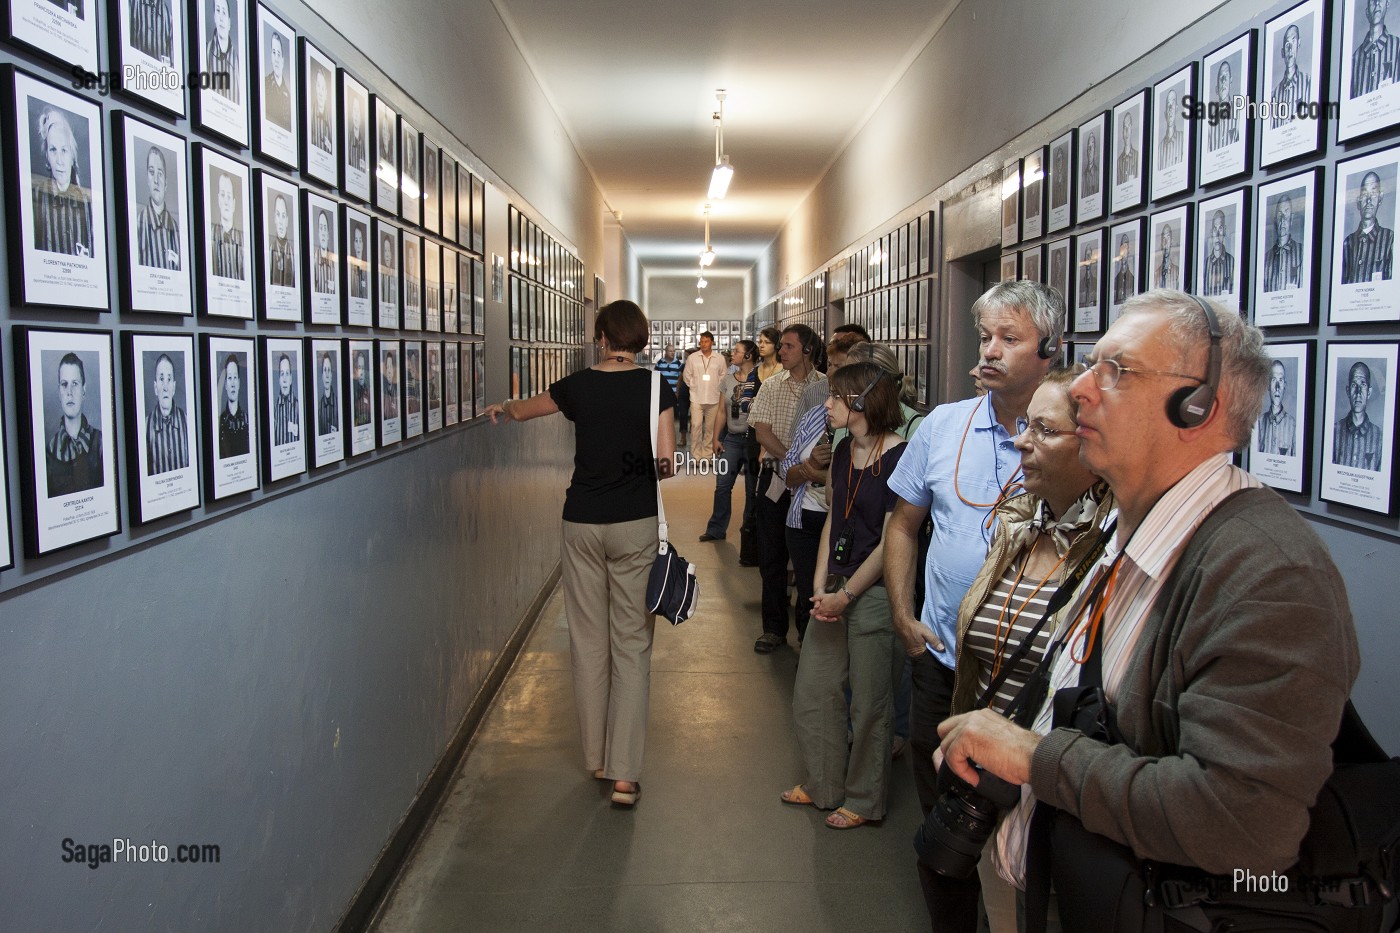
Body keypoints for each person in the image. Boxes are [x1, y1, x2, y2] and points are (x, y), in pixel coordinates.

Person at [936, 291, 1358, 932]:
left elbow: (1243, 822)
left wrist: (1035, 759)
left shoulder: (1268, 574)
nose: (1078, 388)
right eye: (1091, 365)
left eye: (1117, 370)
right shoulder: (1129, 529)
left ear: (1198, 408)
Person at [883, 280, 1062, 929]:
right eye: (984, 335)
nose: (988, 350)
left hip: (1025, 678)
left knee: (1028, 826)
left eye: (1007, 338)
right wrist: (904, 613)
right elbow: (903, 523)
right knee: (944, 827)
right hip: (939, 659)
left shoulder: (1072, 434)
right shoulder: (943, 424)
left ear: (1048, 348)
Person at [482, 300, 676, 808]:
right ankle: (624, 776)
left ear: (602, 338)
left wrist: (502, 407)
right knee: (631, 646)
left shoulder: (577, 385)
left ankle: (595, 757)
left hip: (581, 523)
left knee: (588, 642)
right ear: (640, 339)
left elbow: (524, 409)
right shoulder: (656, 386)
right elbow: (665, 461)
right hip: (634, 525)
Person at [942, 365, 1114, 932]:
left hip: (1058, 790)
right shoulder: (1017, 522)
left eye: (1044, 430)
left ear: (1090, 443)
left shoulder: (1114, 548)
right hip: (988, 778)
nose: (1022, 441)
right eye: (1024, 425)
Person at [782, 358, 910, 830]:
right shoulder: (840, 451)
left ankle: (861, 798)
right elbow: (835, 520)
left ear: (862, 401)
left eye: (836, 397)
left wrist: (848, 594)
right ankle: (823, 784)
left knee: (870, 703)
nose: (828, 403)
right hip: (833, 586)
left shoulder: (902, 457)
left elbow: (894, 539)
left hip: (874, 591)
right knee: (814, 690)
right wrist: (819, 585)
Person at [779, 333, 862, 657]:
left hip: (846, 528)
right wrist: (811, 468)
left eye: (842, 369)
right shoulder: (817, 415)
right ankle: (807, 652)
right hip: (804, 521)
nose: (832, 379)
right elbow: (788, 471)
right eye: (833, 368)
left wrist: (824, 475)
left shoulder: (881, 437)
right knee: (808, 593)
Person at [749, 324, 827, 653]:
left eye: (788, 346)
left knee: (808, 562)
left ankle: (808, 635)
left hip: (816, 485)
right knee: (772, 555)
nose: (781, 351)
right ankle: (774, 628)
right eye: (780, 346)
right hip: (776, 479)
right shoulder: (770, 386)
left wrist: (805, 467)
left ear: (807, 350)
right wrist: (791, 461)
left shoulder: (825, 386)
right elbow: (762, 432)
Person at [700, 339, 758, 542]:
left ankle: (749, 532)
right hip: (732, 439)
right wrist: (716, 438)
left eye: (737, 351)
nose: (732, 354)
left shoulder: (760, 379)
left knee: (752, 490)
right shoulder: (727, 380)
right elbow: (722, 412)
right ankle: (716, 529)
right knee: (723, 485)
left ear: (748, 356)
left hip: (753, 440)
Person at [32, 107, 93, 257]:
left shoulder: (87, 203)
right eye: (53, 150)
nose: (59, 161)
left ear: (72, 156)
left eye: (64, 150)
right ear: (47, 156)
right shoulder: (36, 198)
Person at [46, 352, 104, 496]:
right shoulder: (50, 451)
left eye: (75, 384)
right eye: (64, 384)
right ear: (59, 392)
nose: (69, 392)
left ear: (84, 390)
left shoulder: (101, 442)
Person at [1341, 170, 1394, 284]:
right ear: (1358, 201)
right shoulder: (1348, 243)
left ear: (1380, 198)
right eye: (1365, 194)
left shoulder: (1390, 239)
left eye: (1373, 194)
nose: (1369, 200)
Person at [683, 330, 727, 460]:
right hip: (696, 398)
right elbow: (686, 376)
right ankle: (696, 456)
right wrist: (695, 385)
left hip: (714, 398)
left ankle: (707, 456)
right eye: (701, 341)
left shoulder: (719, 358)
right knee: (696, 426)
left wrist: (716, 388)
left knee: (710, 429)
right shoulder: (693, 357)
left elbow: (723, 376)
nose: (703, 344)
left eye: (706, 341)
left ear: (712, 342)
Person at [1333, 360, 1384, 470]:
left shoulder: (1379, 437)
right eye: (1354, 385)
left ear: (1369, 392)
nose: (1358, 392)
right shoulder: (1334, 431)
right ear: (1348, 391)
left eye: (1363, 385)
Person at [136, 145, 180, 270]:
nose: (156, 180)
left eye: (160, 174)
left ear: (165, 183)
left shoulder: (175, 228)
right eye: (151, 172)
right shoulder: (139, 224)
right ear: (147, 178)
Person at [145, 353, 189, 475]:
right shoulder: (145, 427)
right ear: (155, 387)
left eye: (169, 379)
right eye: (161, 379)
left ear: (174, 387)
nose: (165, 387)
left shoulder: (187, 422)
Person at [1351, 0, 1400, 98]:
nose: (1377, 3)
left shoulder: (1397, 47)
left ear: (1387, 4)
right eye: (1372, 0)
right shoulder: (1355, 59)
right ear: (1367, 12)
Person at [1271, 23, 1311, 127]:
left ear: (1298, 44)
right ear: (1282, 52)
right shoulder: (1274, 95)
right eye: (1287, 44)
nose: (1290, 49)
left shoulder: (1308, 83)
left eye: (1293, 41)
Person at [1256, 359, 1296, 456]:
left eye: (1280, 380)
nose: (1277, 387)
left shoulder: (1293, 426)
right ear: (1268, 385)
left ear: (1284, 386)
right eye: (1274, 380)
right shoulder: (1259, 423)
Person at [1263, 194, 1302, 291]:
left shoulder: (1302, 252)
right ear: (1275, 220)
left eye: (1286, 212)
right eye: (1279, 214)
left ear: (1292, 218)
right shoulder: (1266, 258)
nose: (1282, 219)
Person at [210, 172, 243, 280]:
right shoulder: (210, 236)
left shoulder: (243, 240)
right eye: (223, 195)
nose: (226, 202)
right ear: (219, 199)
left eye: (229, 196)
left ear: (233, 204)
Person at [206, 0, 239, 103]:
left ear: (229, 22)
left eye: (224, 12)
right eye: (218, 11)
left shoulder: (238, 62)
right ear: (214, 17)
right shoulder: (206, 53)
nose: (221, 18)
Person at [218, 354, 249, 458]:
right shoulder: (220, 422)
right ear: (225, 384)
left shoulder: (247, 420)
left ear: (239, 383)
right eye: (229, 378)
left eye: (235, 377)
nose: (232, 384)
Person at [1206, 59, 1239, 151]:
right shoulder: (1209, 123)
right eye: (1221, 78)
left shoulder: (1239, 112)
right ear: (1216, 89)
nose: (1223, 81)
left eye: (1226, 76)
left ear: (1230, 81)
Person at [1201, 209, 1234, 296]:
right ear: (1211, 232)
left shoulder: (1231, 261)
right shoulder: (1205, 264)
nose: (1218, 235)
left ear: (1225, 230)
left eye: (1221, 228)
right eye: (1215, 229)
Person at [263, 31, 291, 129]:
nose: (276, 59)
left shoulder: (289, 97)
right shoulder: (263, 85)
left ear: (283, 60)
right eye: (274, 53)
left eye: (279, 54)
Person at [271, 352, 299, 446]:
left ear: (291, 378)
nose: (284, 379)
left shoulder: (298, 407)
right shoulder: (274, 410)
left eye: (287, 373)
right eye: (282, 374)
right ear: (279, 378)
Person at [268, 193, 294, 287]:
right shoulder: (270, 250)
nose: (281, 222)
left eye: (283, 216)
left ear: (287, 220)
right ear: (274, 218)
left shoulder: (293, 252)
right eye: (278, 215)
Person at [1158, 88, 1184, 168]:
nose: (1170, 108)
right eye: (1168, 104)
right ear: (1165, 112)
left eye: (1172, 104)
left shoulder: (1183, 138)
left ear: (1176, 108)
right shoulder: (1160, 147)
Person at [310, 67, 333, 154]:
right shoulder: (309, 115)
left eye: (323, 88)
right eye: (318, 86)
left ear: (326, 93)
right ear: (315, 88)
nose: (320, 92)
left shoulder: (331, 123)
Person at [314, 211, 336, 295]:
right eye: (321, 228)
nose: (323, 233)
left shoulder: (334, 264)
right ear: (318, 233)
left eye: (325, 228)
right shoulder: (314, 260)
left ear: (328, 234)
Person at [316, 352, 338, 435]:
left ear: (332, 375)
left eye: (329, 370)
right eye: (325, 370)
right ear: (322, 375)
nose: (327, 375)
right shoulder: (319, 407)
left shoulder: (338, 403)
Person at [1152, 223, 1178, 290]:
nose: (1166, 242)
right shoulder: (1156, 274)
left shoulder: (1177, 271)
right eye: (1163, 239)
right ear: (1161, 244)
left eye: (1168, 238)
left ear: (1171, 241)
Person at [1115, 110, 1138, 185]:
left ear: (1132, 130)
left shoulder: (1137, 156)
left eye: (1129, 127)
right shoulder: (1118, 162)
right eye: (1125, 127)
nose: (1127, 131)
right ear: (1122, 132)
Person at [1112, 235, 1135, 303]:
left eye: (1126, 246)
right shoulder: (1115, 279)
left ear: (1128, 250)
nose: (1124, 250)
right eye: (1123, 247)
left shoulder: (1133, 279)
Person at [348, 97, 367, 171]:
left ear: (361, 116)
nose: (356, 115)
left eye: (358, 111)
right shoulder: (347, 139)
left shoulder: (364, 146)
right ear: (352, 114)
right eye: (354, 111)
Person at [353, 351, 371, 426]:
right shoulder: (353, 389)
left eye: (363, 368)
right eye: (359, 367)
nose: (361, 372)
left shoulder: (368, 387)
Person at [381, 349, 399, 420]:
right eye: (387, 367)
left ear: (394, 369)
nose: (388, 371)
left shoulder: (398, 390)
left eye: (390, 367)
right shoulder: (382, 391)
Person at [1077, 243, 1097, 309]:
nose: (1088, 257)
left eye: (1089, 255)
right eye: (1087, 255)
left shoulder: (1096, 282)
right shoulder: (1080, 283)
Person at [1080, 127, 1099, 196]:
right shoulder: (1083, 176)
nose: (1090, 150)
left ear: (1095, 150)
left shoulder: (1099, 173)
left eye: (1092, 146)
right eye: (1089, 147)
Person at [351, 226, 368, 298]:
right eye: (356, 241)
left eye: (360, 241)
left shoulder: (367, 271)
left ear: (363, 244)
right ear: (354, 244)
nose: (358, 245)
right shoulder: (350, 271)